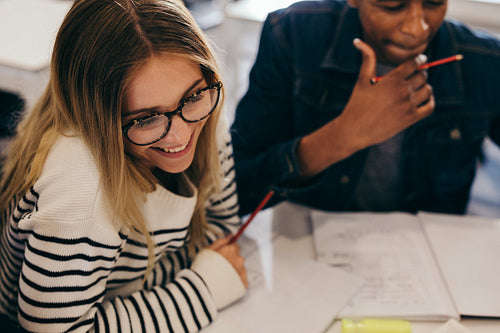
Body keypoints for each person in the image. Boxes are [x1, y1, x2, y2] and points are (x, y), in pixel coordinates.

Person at [0, 0, 247, 331]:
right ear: (97, 118)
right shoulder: (79, 191)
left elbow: (221, 232)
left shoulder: (204, 109)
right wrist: (201, 289)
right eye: (145, 118)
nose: (181, 134)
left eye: (192, 96)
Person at [231, 0, 500, 216]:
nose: (417, 28)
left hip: (434, 258)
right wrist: (343, 136)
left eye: (434, 3)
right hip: (308, 247)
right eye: (392, 6)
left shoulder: (485, 60)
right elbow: (236, 189)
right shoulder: (293, 33)